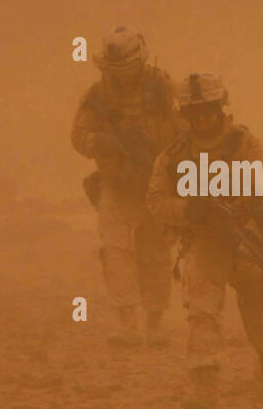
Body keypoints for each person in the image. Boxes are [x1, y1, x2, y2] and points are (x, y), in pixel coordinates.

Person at [146, 73, 263, 399]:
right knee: (202, 307)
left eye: (209, 110)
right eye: (196, 112)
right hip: (204, 241)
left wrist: (253, 231)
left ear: (221, 109)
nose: (204, 118)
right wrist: (186, 210)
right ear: (186, 114)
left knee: (261, 303)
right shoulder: (174, 156)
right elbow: (155, 200)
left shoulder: (248, 147)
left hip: (248, 241)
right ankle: (204, 378)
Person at [70, 26, 185, 346]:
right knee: (113, 249)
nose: (121, 77)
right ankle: (128, 325)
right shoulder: (97, 95)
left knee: (156, 252)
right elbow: (78, 137)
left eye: (126, 69)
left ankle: (154, 324)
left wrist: (168, 161)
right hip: (116, 183)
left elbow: (188, 133)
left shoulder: (164, 90)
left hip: (157, 183)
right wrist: (106, 143)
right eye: (114, 70)